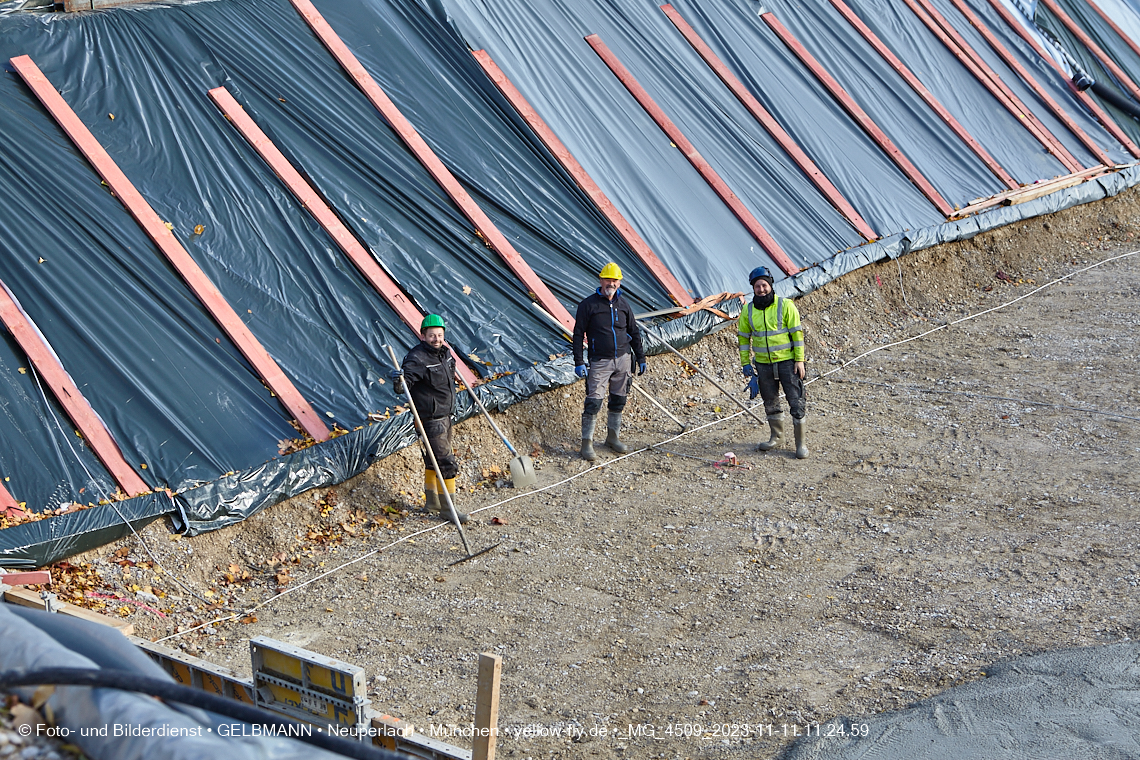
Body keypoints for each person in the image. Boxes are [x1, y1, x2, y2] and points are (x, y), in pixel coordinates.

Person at [390, 315, 467, 523]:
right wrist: (399, 381)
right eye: (431, 335)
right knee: (445, 461)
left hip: (446, 413)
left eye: (440, 335)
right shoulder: (417, 358)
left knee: (433, 460)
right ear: (423, 336)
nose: (436, 339)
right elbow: (404, 386)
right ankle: (448, 509)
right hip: (430, 418)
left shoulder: (446, 354)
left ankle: (432, 502)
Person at [573, 263, 647, 461]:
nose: (611, 283)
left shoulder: (624, 305)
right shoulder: (588, 305)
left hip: (623, 359)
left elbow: (634, 331)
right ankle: (586, 444)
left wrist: (640, 357)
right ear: (600, 280)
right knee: (594, 402)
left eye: (615, 280)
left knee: (618, 399)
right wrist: (579, 361)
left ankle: (612, 438)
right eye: (608, 279)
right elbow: (578, 335)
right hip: (600, 361)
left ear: (619, 282)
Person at [738, 266, 808, 459]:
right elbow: (743, 339)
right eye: (757, 286)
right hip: (763, 365)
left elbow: (797, 334)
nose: (761, 289)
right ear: (753, 288)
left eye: (764, 285)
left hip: (788, 363)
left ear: (770, 285)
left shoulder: (785, 305)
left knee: (796, 401)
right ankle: (776, 437)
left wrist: (799, 360)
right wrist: (746, 364)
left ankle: (800, 444)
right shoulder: (748, 310)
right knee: (770, 401)